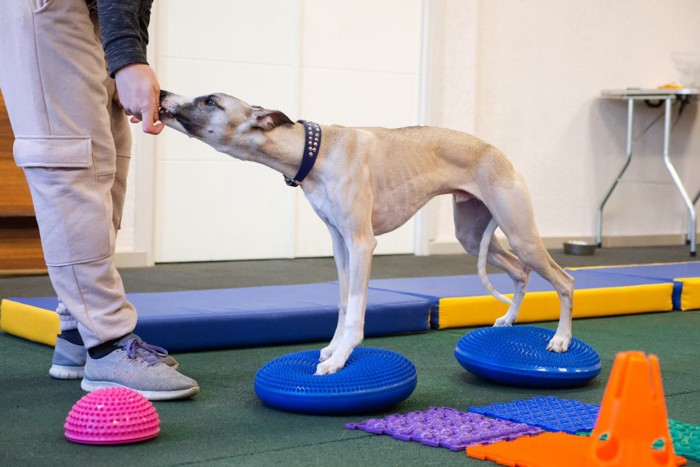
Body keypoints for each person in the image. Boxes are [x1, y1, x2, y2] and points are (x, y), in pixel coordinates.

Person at [0, 0, 199, 400]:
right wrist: (128, 59)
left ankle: (77, 334)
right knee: (72, 162)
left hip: (94, 12)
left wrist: (127, 46)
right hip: (50, 8)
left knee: (107, 165)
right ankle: (108, 345)